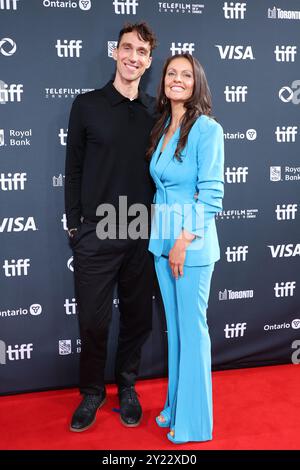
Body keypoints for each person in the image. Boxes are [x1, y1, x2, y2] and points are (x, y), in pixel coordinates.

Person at [65, 22, 157, 432]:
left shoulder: (156, 112)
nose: (133, 57)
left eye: (141, 51)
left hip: (141, 230)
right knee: (93, 321)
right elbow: (73, 170)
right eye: (127, 48)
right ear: (115, 52)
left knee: (138, 318)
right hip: (96, 231)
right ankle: (91, 393)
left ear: (149, 61)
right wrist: (74, 226)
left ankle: (127, 385)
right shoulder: (86, 105)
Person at [147, 53, 224, 444]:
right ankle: (176, 407)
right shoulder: (164, 125)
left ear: (197, 84)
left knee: (193, 333)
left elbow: (211, 195)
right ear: (163, 81)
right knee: (176, 332)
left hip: (188, 247)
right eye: (171, 73)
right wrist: (165, 242)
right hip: (161, 242)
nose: (177, 80)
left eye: (185, 75)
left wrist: (181, 242)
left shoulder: (207, 129)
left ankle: (194, 423)